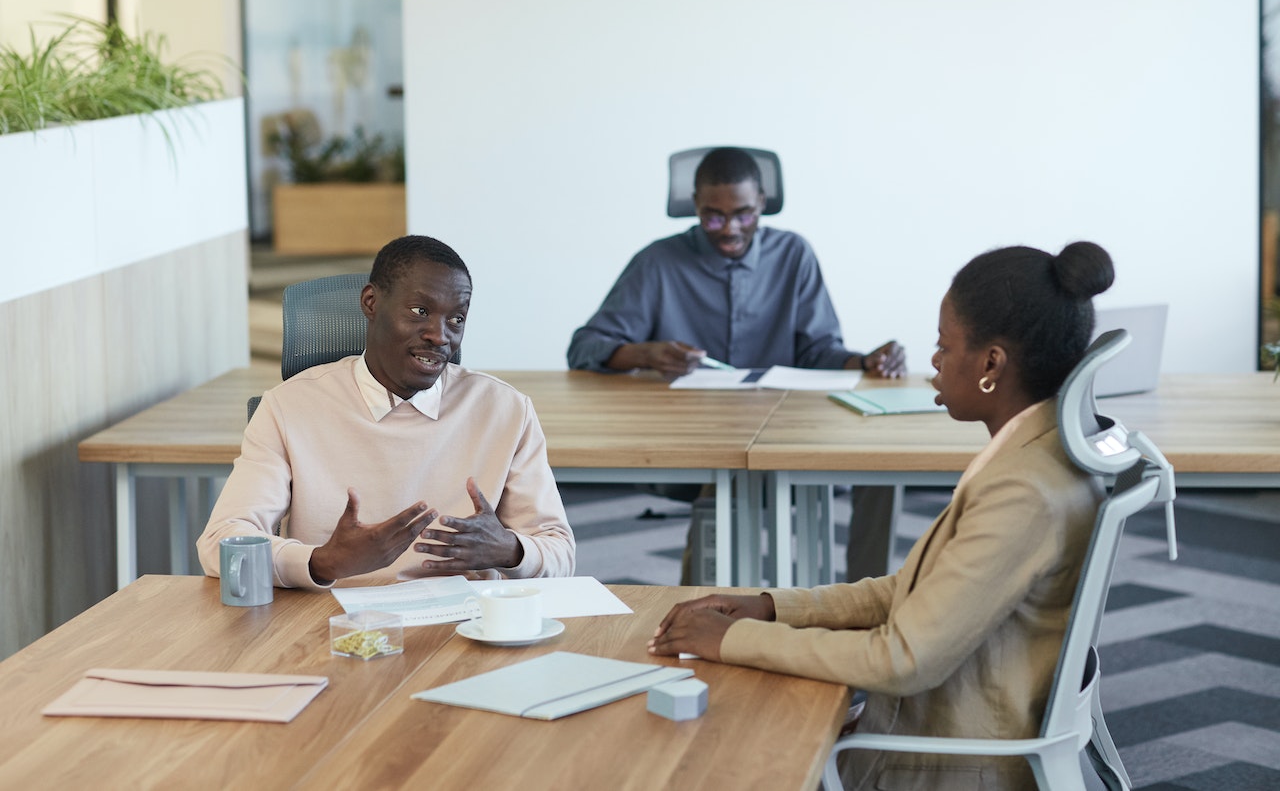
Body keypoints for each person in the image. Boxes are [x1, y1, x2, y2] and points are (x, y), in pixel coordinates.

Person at [648, 241, 1115, 791]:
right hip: (948, 725)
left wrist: (731, 639)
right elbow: (915, 593)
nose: (934, 361)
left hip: (941, 766)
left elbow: (901, 658)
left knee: (698, 754)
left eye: (944, 346)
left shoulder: (1023, 491)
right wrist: (771, 608)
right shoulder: (1040, 452)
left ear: (991, 363)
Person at [566, 146, 904, 583]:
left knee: (883, 466)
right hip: (694, 437)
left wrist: (865, 360)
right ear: (695, 205)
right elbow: (584, 347)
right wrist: (645, 353)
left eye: (744, 214)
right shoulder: (659, 262)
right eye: (713, 217)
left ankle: (870, 599)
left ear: (762, 202)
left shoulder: (793, 255)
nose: (729, 229)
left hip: (786, 429)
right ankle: (696, 610)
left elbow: (818, 351)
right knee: (725, 478)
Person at [198, 235, 575, 588]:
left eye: (456, 319)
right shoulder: (288, 407)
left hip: (463, 624)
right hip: (333, 622)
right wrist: (323, 562)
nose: (440, 335)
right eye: (420, 311)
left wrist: (509, 550)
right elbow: (220, 544)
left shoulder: (506, 410)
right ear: (371, 303)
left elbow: (560, 552)